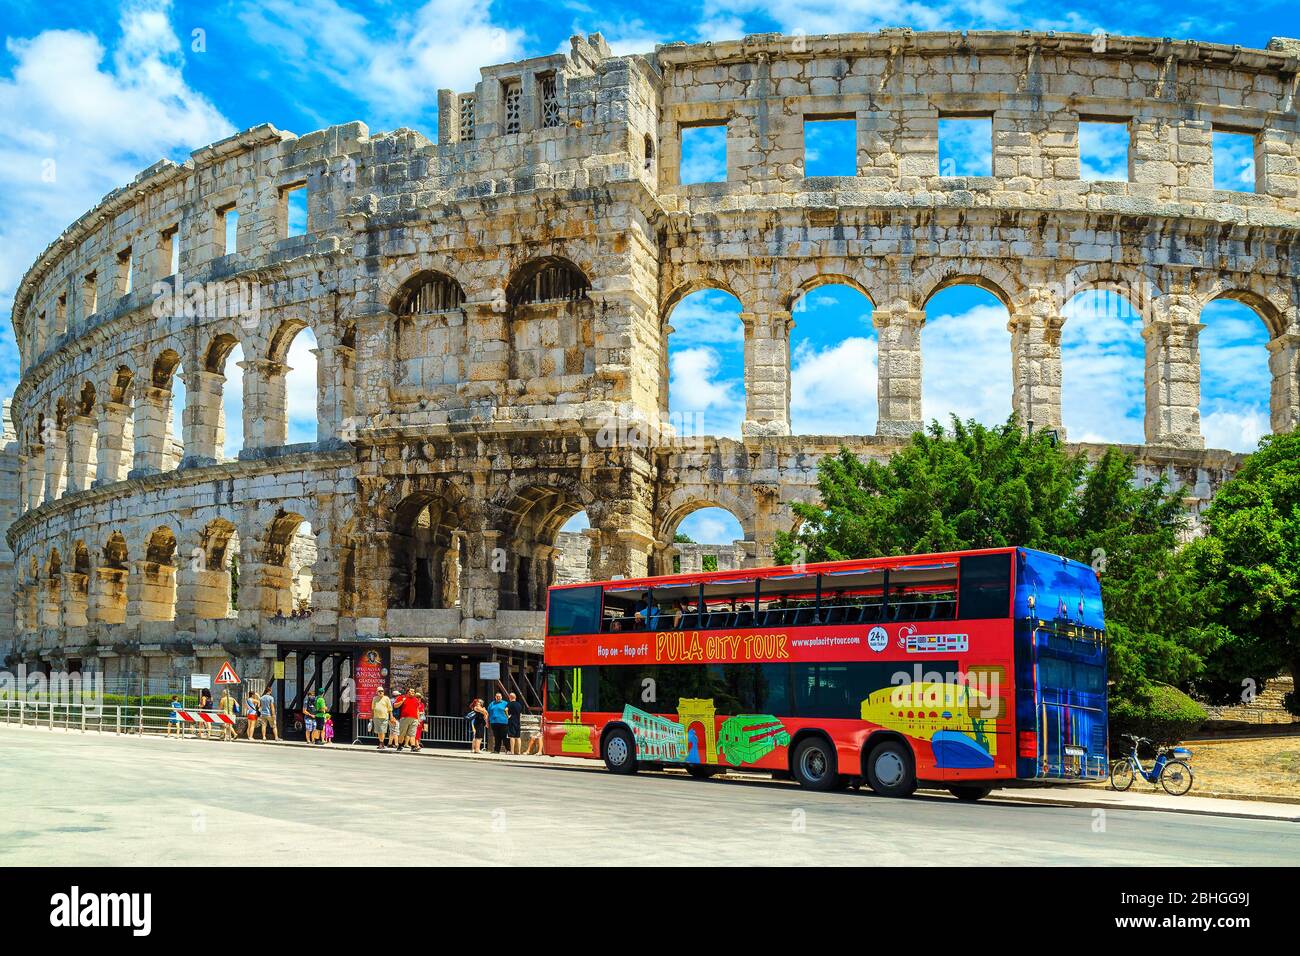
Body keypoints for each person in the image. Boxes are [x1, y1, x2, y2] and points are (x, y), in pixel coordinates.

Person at [392, 688, 422, 752]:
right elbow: (395, 706)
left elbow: (417, 710)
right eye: (411, 691)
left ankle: (413, 747)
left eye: (414, 691)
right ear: (407, 692)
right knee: (402, 733)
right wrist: (402, 701)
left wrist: (418, 720)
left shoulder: (415, 699)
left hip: (414, 719)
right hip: (404, 718)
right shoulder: (402, 697)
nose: (413, 692)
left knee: (412, 734)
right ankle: (400, 745)